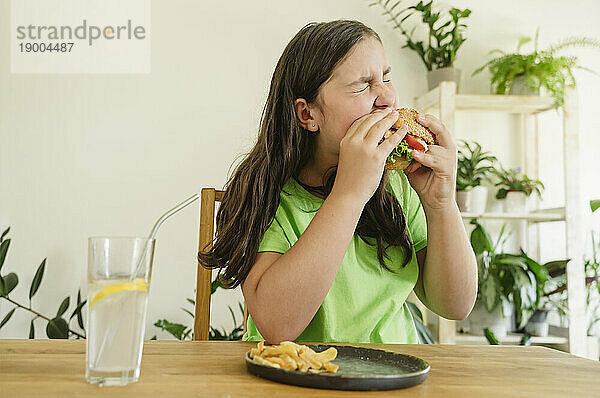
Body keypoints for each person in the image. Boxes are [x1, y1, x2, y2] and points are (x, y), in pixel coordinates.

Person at [198, 19, 477, 344]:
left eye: (386, 77)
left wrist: (441, 204)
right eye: (363, 85)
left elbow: (454, 304)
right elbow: (276, 325)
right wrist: (349, 194)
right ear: (308, 114)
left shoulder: (399, 185)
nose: (387, 98)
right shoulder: (267, 192)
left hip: (391, 378)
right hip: (291, 379)